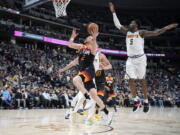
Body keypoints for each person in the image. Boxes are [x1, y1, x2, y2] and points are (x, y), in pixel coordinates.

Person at [109, 2, 178, 113]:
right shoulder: (127, 32)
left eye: (132, 23)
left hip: (140, 59)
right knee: (131, 80)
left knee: (142, 80)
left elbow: (157, 33)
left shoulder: (141, 32)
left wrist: (168, 27)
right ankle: (136, 100)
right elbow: (117, 25)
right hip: (130, 59)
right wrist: (113, 12)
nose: (130, 24)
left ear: (136, 25)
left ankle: (146, 101)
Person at [61, 27, 113, 125]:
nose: (90, 38)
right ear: (85, 40)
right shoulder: (81, 47)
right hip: (85, 73)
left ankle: (86, 98)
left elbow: (95, 46)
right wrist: (72, 37)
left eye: (91, 38)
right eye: (89, 37)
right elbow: (70, 45)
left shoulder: (93, 49)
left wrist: (94, 37)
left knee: (75, 80)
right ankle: (107, 113)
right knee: (95, 96)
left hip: (89, 71)